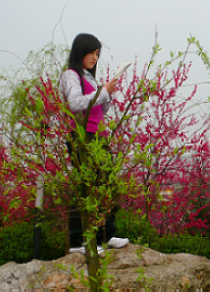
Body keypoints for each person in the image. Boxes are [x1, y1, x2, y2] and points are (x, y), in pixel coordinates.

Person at [60, 33, 128, 254]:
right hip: (81, 137)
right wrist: (102, 93)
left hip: (98, 137)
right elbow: (75, 103)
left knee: (107, 186)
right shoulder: (71, 75)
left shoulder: (90, 78)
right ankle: (78, 242)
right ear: (80, 51)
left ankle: (105, 236)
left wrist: (107, 95)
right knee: (84, 188)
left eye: (98, 53)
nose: (94, 57)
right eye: (91, 52)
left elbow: (99, 109)